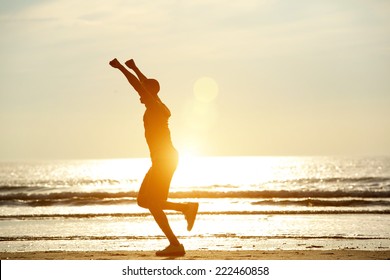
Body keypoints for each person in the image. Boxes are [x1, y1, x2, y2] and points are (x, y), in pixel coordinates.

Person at [109, 58, 198, 256]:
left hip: (164, 160)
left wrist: (122, 69)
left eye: (143, 92)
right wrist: (135, 67)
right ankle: (185, 208)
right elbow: (146, 85)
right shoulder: (158, 102)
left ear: (147, 92)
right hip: (162, 160)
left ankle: (175, 244)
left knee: (154, 203)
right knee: (144, 200)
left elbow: (138, 85)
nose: (139, 96)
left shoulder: (155, 106)